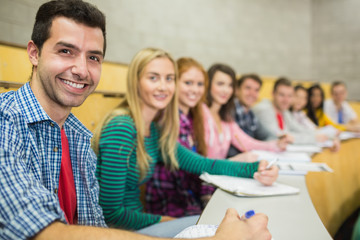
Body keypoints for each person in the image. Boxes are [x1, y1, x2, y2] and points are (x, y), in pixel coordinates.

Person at [0, 1, 272, 240]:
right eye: (66, 51)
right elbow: (44, 231)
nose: (81, 69)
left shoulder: (76, 133)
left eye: (93, 57)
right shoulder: (6, 121)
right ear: (34, 53)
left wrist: (255, 169)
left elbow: (93, 222)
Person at [92, 48, 278, 237]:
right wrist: (164, 221)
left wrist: (255, 168)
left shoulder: (154, 131)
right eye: (153, 78)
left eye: (169, 78)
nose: (163, 87)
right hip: (120, 232)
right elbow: (111, 213)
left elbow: (201, 163)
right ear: (136, 82)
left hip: (139, 223)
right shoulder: (121, 128)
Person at [145, 57, 213, 218]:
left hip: (189, 200)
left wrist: (208, 192)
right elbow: (192, 167)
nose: (195, 90)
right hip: (170, 206)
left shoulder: (192, 118)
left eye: (200, 84)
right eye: (188, 83)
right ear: (174, 84)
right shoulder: (168, 118)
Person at [204, 64, 286, 161]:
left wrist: (275, 145)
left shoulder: (226, 117)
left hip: (219, 173)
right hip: (203, 173)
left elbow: (246, 142)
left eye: (230, 85)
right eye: (220, 84)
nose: (226, 90)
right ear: (208, 85)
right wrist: (233, 161)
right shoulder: (201, 112)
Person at [253, 78, 324, 144]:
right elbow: (281, 137)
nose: (286, 100)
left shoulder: (284, 111)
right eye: (282, 95)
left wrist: (322, 135)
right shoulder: (264, 109)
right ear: (273, 94)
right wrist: (313, 138)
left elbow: (299, 129)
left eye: (289, 96)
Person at [227, 74, 281, 157]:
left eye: (256, 90)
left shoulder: (251, 114)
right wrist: (272, 145)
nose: (252, 93)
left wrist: (277, 142)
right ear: (237, 90)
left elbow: (269, 135)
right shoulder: (228, 111)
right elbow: (242, 144)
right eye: (248, 88)